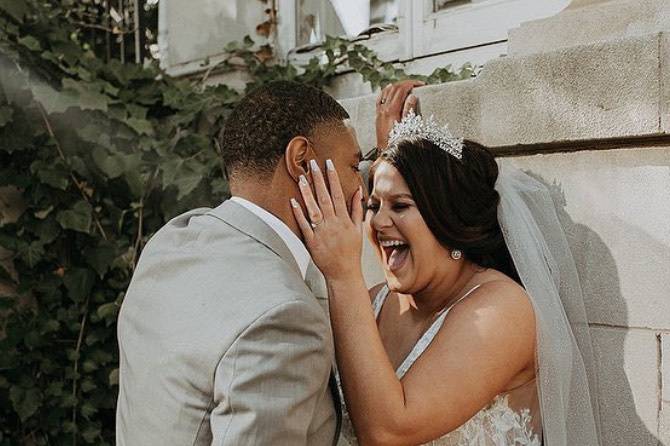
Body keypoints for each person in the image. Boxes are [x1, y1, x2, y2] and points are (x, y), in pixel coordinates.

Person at [290, 85, 602, 445]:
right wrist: (395, 159)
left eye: (401, 206)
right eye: (374, 206)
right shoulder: (372, 303)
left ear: (448, 220)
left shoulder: (503, 310)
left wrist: (343, 275)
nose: (376, 222)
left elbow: (387, 432)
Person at [115, 80, 367, 445]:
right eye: (354, 166)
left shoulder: (173, 241)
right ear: (301, 160)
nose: (361, 188)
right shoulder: (283, 316)